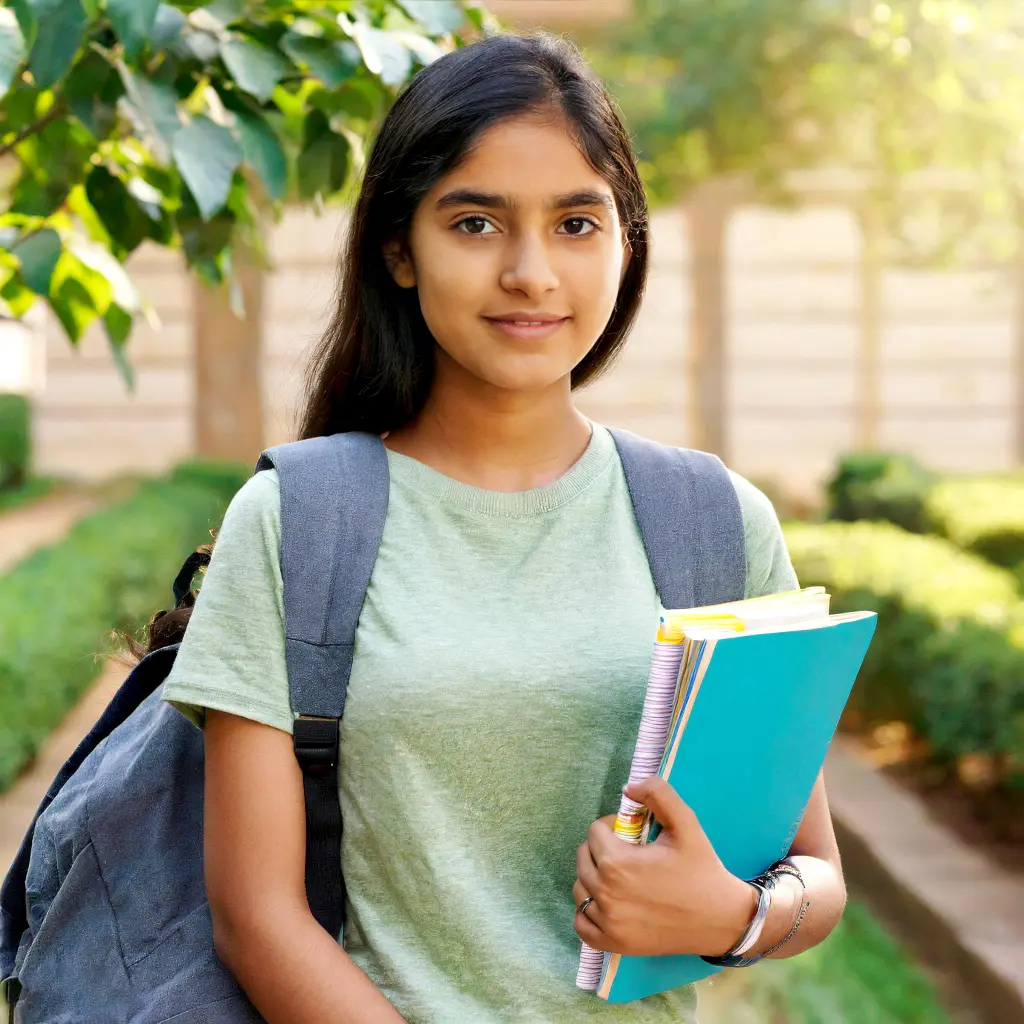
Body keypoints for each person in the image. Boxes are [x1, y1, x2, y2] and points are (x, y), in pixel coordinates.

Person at [161, 32, 847, 1024]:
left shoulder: (714, 521)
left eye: (576, 223)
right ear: (399, 247)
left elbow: (813, 873)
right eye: (475, 223)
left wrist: (734, 912)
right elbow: (256, 916)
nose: (531, 272)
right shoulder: (296, 522)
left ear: (626, 242)